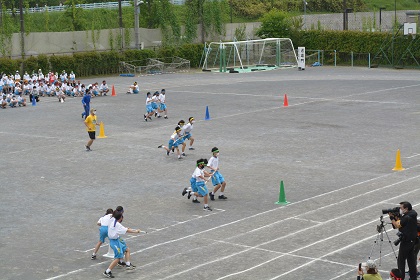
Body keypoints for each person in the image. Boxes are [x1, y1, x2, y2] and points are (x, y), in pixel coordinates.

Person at [103, 210, 143, 278]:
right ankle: (107, 271)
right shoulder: (117, 225)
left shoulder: (112, 220)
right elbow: (127, 231)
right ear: (120, 218)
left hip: (117, 240)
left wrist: (125, 228)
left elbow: (123, 229)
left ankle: (128, 265)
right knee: (118, 257)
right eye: (122, 216)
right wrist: (137, 231)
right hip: (114, 241)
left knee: (127, 249)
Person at [389, 201, 418, 280]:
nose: (400, 209)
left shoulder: (406, 217)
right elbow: (400, 223)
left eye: (401, 208)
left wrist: (391, 218)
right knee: (411, 260)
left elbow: (396, 225)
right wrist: (397, 217)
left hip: (406, 241)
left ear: (406, 208)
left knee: (401, 261)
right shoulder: (412, 214)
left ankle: (400, 277)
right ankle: (413, 277)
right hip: (412, 240)